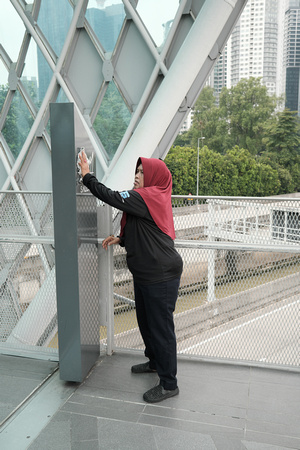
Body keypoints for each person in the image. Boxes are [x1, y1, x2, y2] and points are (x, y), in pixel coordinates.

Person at [79, 151, 183, 403]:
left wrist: (87, 176)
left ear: (155, 178)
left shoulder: (148, 195)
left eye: (142, 173)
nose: (136, 177)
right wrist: (121, 238)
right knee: (146, 322)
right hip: (147, 272)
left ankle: (169, 384)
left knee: (161, 329)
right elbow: (146, 227)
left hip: (160, 274)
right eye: (136, 172)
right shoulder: (151, 198)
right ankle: (155, 363)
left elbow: (112, 197)